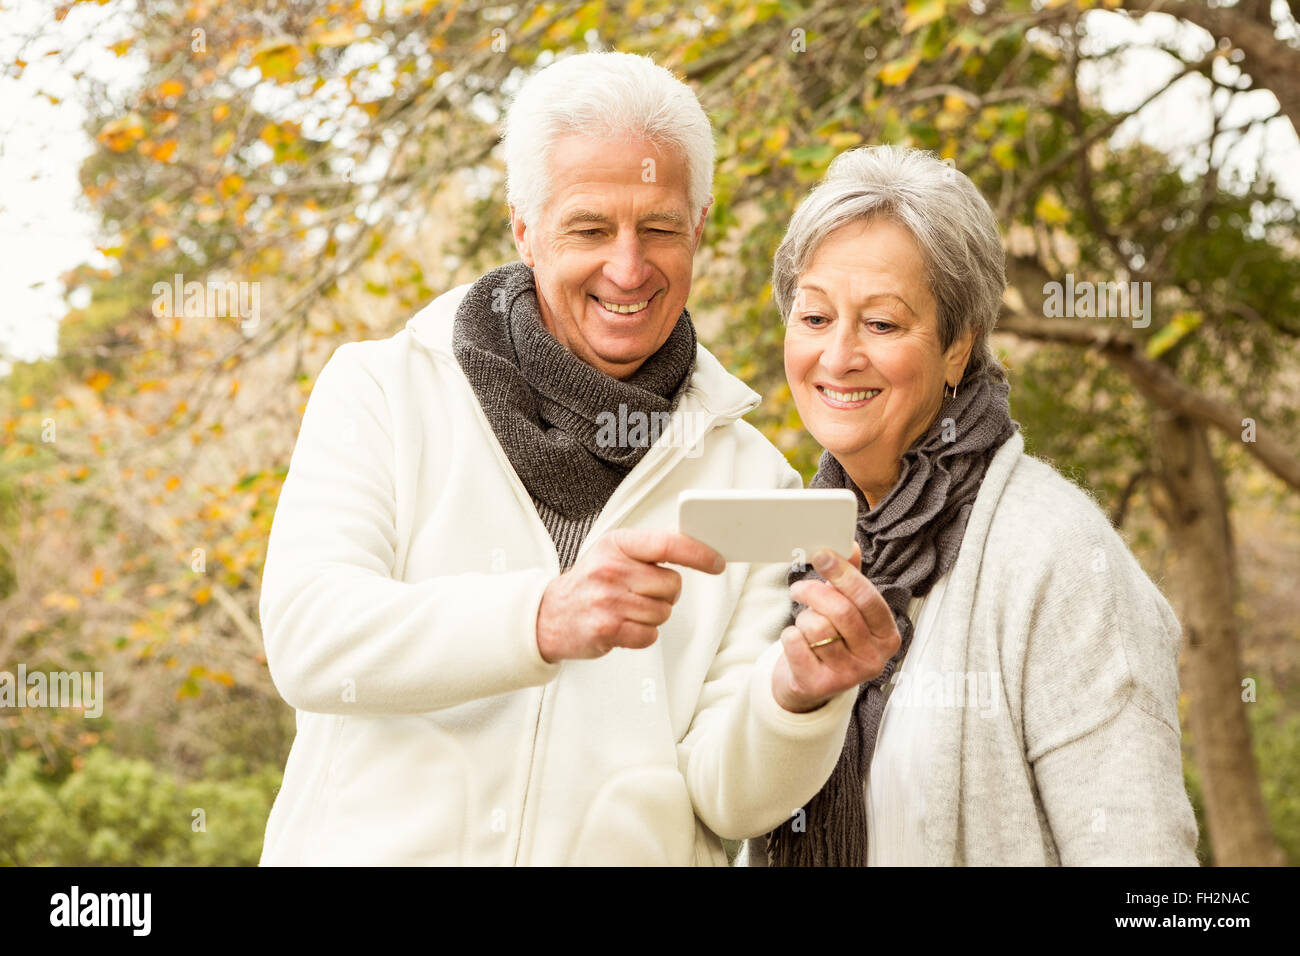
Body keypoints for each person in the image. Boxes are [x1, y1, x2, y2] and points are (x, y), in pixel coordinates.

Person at [257, 51, 898, 866]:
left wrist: (797, 699)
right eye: (590, 229)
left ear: (699, 227)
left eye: (660, 228)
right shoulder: (384, 389)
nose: (627, 269)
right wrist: (539, 619)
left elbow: (728, 799)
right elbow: (312, 640)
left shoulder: (752, 475)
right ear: (525, 228)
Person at [741, 145, 1199, 866]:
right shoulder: (792, 541)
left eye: (882, 324)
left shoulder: (1057, 554)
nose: (837, 356)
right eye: (816, 317)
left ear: (958, 347)